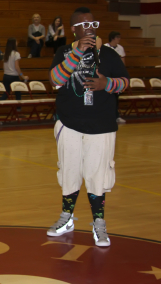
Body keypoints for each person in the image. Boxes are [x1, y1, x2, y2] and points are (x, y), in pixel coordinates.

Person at [47, 7, 129, 247]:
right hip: (70, 124)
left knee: (97, 176)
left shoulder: (109, 54)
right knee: (69, 173)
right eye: (84, 25)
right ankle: (67, 217)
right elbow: (55, 80)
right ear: (74, 30)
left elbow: (125, 83)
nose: (90, 29)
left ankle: (99, 223)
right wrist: (78, 53)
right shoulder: (63, 52)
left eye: (93, 24)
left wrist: (107, 83)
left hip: (102, 125)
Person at [105, 31, 126, 124]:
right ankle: (105, 115)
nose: (119, 39)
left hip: (116, 76)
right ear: (113, 38)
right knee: (106, 96)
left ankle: (116, 116)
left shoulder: (120, 48)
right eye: (118, 37)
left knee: (115, 97)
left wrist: (123, 72)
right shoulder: (105, 47)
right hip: (107, 75)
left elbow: (123, 61)